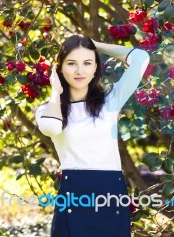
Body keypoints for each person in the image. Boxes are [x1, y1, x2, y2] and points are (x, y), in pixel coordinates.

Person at [35, 34, 150, 237]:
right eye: (71, 63)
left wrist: (97, 46)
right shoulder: (48, 109)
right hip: (74, 198)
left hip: (111, 196)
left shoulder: (110, 102)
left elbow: (141, 57)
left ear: (96, 67)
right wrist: (55, 91)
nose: (80, 71)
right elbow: (52, 128)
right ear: (59, 68)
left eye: (87, 63)